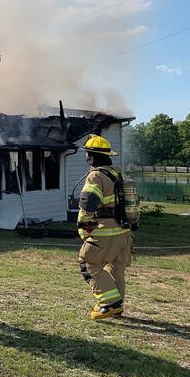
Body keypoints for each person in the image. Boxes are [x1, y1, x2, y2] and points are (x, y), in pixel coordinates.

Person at [77, 134, 133, 320]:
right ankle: (118, 306)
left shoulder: (95, 176)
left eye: (87, 154)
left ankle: (110, 304)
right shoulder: (118, 173)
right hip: (123, 232)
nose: (86, 158)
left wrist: (84, 228)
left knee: (88, 263)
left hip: (105, 231)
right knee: (116, 268)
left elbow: (88, 204)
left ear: (91, 156)